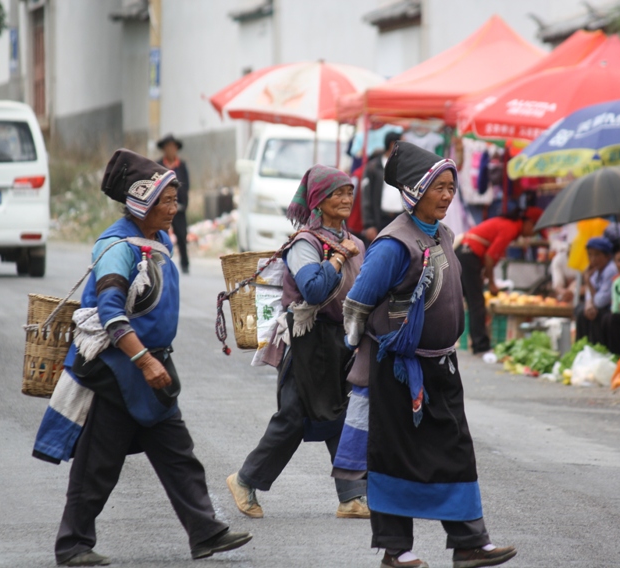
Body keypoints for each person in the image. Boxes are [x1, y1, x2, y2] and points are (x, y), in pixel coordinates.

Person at [35, 149, 250, 566]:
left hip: (150, 367)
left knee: (177, 453)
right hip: (118, 369)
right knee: (99, 462)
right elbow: (112, 313)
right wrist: (145, 361)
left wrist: (155, 362)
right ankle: (72, 545)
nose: (175, 207)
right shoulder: (117, 247)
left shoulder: (159, 241)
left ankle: (205, 532)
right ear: (140, 203)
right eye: (167, 200)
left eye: (175, 199)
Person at [342, 141, 516, 568]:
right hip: (401, 371)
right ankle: (396, 550)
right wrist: (364, 350)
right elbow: (358, 303)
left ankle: (470, 542)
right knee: (396, 455)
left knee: (455, 449)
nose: (446, 195)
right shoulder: (394, 244)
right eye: (438, 187)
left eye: (450, 187)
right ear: (414, 191)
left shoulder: (442, 235)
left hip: (442, 367)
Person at [226, 165, 370, 521]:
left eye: (349, 192)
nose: (346, 199)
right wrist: (338, 257)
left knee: (339, 413)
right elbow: (315, 290)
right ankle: (245, 480)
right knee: (293, 416)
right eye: (337, 193)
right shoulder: (305, 244)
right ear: (319, 200)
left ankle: (351, 497)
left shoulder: (357, 242)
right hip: (308, 341)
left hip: (341, 341)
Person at [455, 206, 544, 354]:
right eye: (535, 229)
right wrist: (492, 283)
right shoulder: (511, 227)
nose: (533, 234)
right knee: (476, 302)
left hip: (467, 254)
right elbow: (490, 256)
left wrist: (484, 273)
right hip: (469, 254)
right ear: (528, 222)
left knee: (460, 298)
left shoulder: (509, 225)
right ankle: (480, 345)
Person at [157, 133, 190, 273]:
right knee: (162, 235)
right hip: (163, 207)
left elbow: (187, 184)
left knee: (182, 235)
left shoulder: (181, 166)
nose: (170, 150)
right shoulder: (158, 165)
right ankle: (162, 262)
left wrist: (182, 200)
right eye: (168, 147)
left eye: (173, 147)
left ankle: (185, 264)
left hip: (179, 207)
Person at [362, 131, 404, 242]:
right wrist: (369, 224)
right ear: (393, 144)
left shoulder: (404, 166)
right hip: (380, 220)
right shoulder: (373, 167)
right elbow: (366, 196)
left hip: (400, 219)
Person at [575, 237, 617, 346]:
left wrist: (587, 281)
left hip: (610, 309)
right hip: (599, 305)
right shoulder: (597, 270)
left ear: (607, 256)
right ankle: (582, 347)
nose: (592, 259)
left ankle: (597, 348)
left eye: (597, 255)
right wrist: (589, 304)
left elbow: (600, 301)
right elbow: (590, 295)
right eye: (590, 255)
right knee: (580, 310)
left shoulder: (611, 270)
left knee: (597, 315)